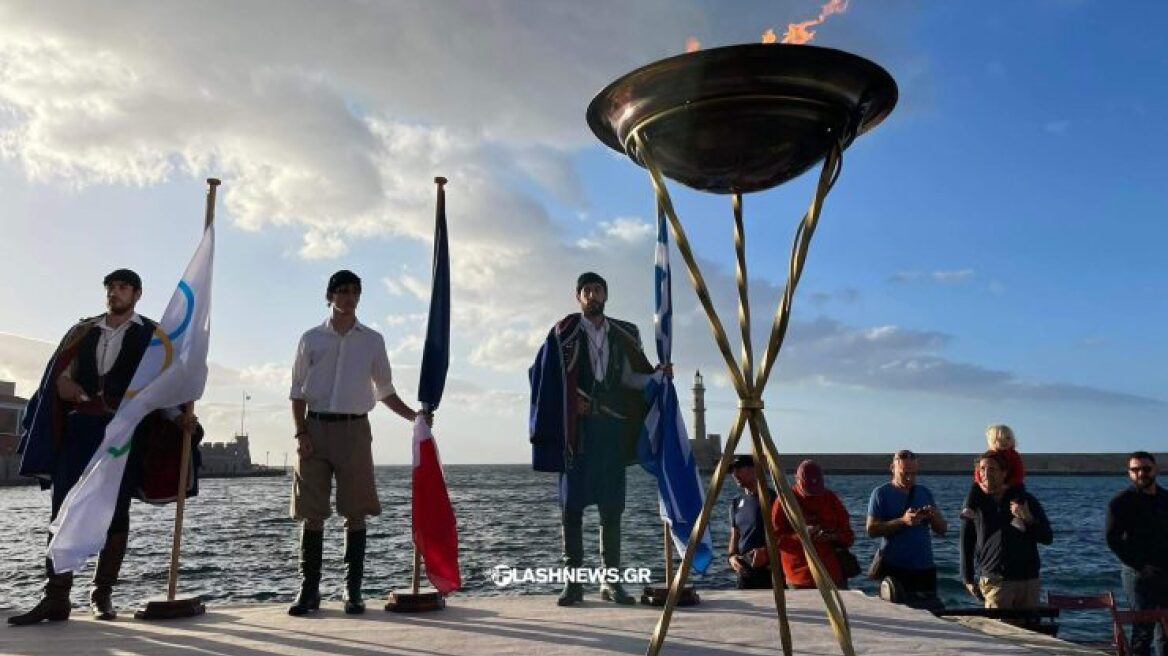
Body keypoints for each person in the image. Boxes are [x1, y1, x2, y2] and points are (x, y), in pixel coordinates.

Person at [10, 269, 201, 626]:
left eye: (122, 287)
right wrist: (68, 387)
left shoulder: (151, 335)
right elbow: (60, 375)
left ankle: (103, 594)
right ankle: (56, 597)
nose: (115, 293)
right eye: (111, 288)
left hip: (124, 431)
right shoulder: (83, 331)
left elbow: (160, 386)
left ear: (137, 294)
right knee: (63, 508)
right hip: (80, 428)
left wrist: (179, 419)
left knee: (116, 511)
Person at [287, 269, 426, 616]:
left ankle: (354, 592)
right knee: (312, 513)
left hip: (355, 431)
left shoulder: (372, 340)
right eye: (343, 291)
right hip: (315, 430)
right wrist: (300, 433)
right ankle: (309, 592)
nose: (350, 298)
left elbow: (385, 391)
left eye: (355, 292)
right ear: (330, 296)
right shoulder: (311, 338)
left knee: (356, 512)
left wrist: (415, 417)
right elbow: (296, 392)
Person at [528, 272, 661, 606]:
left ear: (606, 295)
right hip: (577, 435)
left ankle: (610, 583)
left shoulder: (624, 334)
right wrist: (571, 401)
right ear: (578, 297)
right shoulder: (563, 333)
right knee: (571, 510)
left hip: (612, 434)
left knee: (612, 510)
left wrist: (659, 376)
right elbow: (540, 374)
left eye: (597, 289)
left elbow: (631, 378)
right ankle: (573, 584)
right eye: (586, 290)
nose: (592, 294)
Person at [960, 450, 1053, 612]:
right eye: (982, 469)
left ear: (1004, 473)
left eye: (992, 469)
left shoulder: (1025, 500)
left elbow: (1047, 537)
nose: (986, 474)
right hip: (995, 580)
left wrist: (1028, 518)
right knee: (999, 634)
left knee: (1030, 634)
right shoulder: (975, 503)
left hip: (1028, 581)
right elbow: (966, 540)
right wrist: (967, 577)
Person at [1106, 451, 1168, 656]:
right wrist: (1140, 565)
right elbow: (1112, 540)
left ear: (1156, 470)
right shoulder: (1121, 502)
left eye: (1146, 469)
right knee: (1143, 631)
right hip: (1138, 574)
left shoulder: (1166, 499)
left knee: (1167, 631)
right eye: (1135, 470)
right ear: (1129, 473)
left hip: (1165, 572)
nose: (1141, 473)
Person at [866, 450, 947, 601]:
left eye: (913, 473)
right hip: (895, 567)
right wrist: (903, 521)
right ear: (893, 468)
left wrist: (933, 516)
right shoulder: (880, 494)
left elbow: (942, 529)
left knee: (930, 614)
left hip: (924, 567)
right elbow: (871, 530)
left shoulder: (924, 492)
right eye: (905, 473)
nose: (910, 477)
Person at [772, 459, 854, 589]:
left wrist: (834, 536)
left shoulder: (831, 498)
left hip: (832, 574)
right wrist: (802, 536)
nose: (813, 494)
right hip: (800, 577)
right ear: (796, 479)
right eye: (808, 488)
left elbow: (848, 536)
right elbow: (775, 540)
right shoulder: (784, 501)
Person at [961, 424, 1026, 526]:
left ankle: (1018, 517)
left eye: (1007, 438)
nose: (1004, 442)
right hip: (989, 483)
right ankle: (969, 509)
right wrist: (982, 485)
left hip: (1010, 483)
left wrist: (1006, 486)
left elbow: (1019, 475)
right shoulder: (988, 455)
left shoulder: (1014, 455)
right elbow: (977, 473)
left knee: (1020, 489)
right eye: (999, 440)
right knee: (974, 488)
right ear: (992, 442)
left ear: (1012, 439)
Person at [727, 454, 774, 589]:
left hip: (769, 571)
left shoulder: (772, 498)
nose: (734, 474)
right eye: (732, 470)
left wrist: (766, 553)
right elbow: (734, 536)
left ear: (754, 470)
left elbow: (785, 534)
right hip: (744, 573)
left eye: (739, 469)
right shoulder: (736, 503)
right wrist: (731, 557)